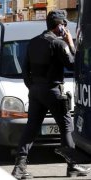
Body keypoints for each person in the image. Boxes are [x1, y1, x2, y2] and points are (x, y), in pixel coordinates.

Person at [11, 10, 91, 179]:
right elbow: (72, 64)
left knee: (31, 128)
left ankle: (19, 168)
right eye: (64, 25)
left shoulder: (33, 43)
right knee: (66, 127)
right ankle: (73, 166)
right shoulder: (58, 44)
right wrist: (70, 43)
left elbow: (25, 70)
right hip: (53, 91)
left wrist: (33, 87)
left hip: (35, 91)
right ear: (60, 26)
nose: (65, 28)